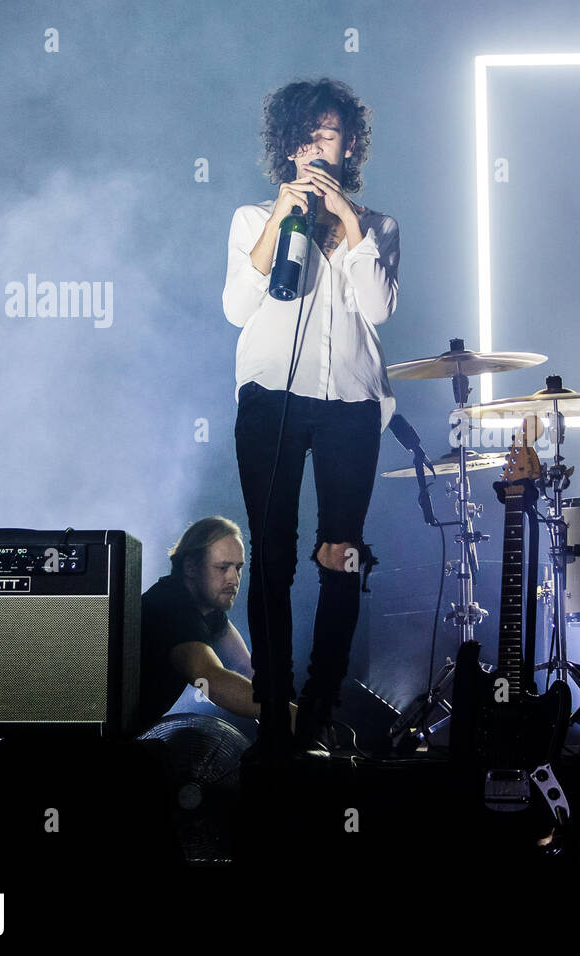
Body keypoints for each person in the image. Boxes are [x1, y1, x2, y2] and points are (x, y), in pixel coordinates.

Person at [223, 77, 397, 757]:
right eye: (306, 137)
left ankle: (319, 708)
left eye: (329, 134)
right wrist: (280, 219)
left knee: (341, 553)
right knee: (271, 556)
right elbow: (240, 308)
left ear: (350, 144)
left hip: (351, 403)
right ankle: (274, 706)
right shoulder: (250, 219)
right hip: (271, 398)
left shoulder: (377, 226)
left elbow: (378, 310)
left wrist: (349, 226)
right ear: (287, 149)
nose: (318, 148)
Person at [138, 516, 258, 732]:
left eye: (238, 568)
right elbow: (211, 679)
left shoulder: (209, 609)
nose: (234, 579)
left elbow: (245, 668)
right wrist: (287, 716)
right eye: (223, 568)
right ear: (191, 568)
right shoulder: (172, 607)